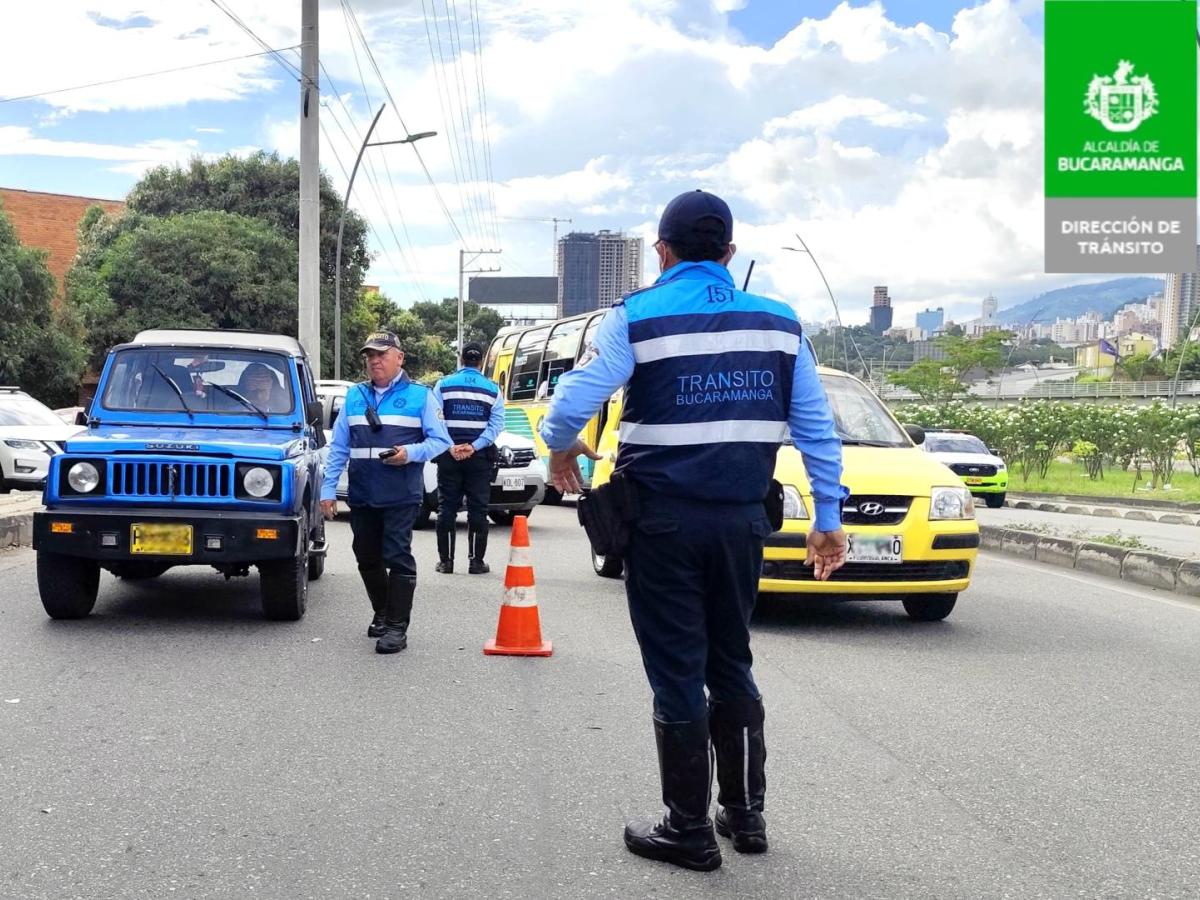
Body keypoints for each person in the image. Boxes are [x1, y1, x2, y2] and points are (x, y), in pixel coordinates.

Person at [539, 190, 849, 871]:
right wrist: (827, 519)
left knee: (678, 670)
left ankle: (687, 829)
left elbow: (573, 402)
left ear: (662, 250)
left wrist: (560, 447)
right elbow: (818, 431)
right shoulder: (781, 324)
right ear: (729, 255)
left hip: (664, 524)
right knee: (732, 660)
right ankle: (744, 814)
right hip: (742, 522)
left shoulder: (636, 318)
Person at [320, 332, 451, 654]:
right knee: (366, 556)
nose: (374, 361)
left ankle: (396, 628)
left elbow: (441, 441)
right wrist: (327, 489)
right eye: (369, 356)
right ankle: (382, 612)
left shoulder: (421, 396)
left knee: (396, 556)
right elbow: (339, 446)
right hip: (362, 493)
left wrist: (410, 453)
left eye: (381, 354)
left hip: (401, 494)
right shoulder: (354, 396)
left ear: (399, 358)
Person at [431, 342, 506, 574]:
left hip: (449, 457)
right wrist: (474, 446)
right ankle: (476, 562)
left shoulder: (443, 385)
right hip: (479, 458)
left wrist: (451, 446)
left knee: (446, 508)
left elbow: (435, 419)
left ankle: (446, 562)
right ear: (481, 361)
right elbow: (496, 426)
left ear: (461, 359)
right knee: (478, 509)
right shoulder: (493, 390)